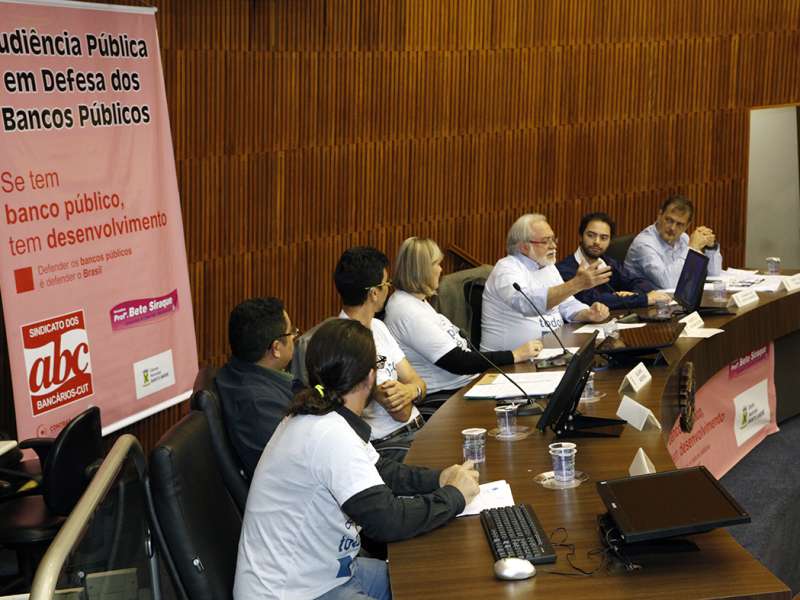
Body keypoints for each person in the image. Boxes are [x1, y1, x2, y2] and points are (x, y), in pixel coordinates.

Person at [233, 319, 480, 600]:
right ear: (370, 377)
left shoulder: (317, 416)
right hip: (293, 592)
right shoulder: (329, 433)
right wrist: (454, 496)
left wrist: (439, 478)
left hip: (323, 572)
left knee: (428, 581)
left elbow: (382, 471)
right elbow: (386, 520)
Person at [384, 236, 543, 396]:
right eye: (436, 264)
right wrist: (514, 355)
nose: (441, 270)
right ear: (421, 270)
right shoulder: (407, 311)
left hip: (465, 384)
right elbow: (458, 362)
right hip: (446, 396)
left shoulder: (417, 301)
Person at [334, 246, 428, 462]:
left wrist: (411, 390)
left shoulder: (378, 326)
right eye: (387, 284)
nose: (389, 289)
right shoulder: (346, 341)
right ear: (374, 293)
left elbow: (418, 381)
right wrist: (414, 389)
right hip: (392, 445)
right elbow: (401, 412)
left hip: (417, 430)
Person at [481, 213, 611, 351]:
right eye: (545, 241)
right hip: (508, 362)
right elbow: (526, 305)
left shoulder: (547, 266)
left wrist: (587, 313)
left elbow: (566, 304)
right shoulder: (506, 269)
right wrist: (576, 284)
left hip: (552, 352)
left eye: (553, 239)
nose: (553, 246)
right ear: (524, 247)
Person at [215, 297, 299, 479]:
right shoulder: (259, 405)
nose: (294, 337)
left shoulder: (235, 371)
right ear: (276, 348)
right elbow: (295, 468)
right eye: (291, 332)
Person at [556, 212, 672, 310]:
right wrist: (644, 299)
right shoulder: (565, 269)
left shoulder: (608, 263)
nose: (597, 242)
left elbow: (640, 282)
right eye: (591, 235)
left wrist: (633, 294)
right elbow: (593, 300)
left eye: (603, 238)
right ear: (580, 236)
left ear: (610, 241)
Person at [624, 194, 723, 290]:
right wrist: (692, 248)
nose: (672, 228)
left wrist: (711, 247)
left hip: (672, 301)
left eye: (679, 224)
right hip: (643, 304)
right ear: (659, 215)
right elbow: (669, 283)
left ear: (687, 225)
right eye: (669, 220)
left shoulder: (684, 238)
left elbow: (713, 274)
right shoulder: (644, 244)